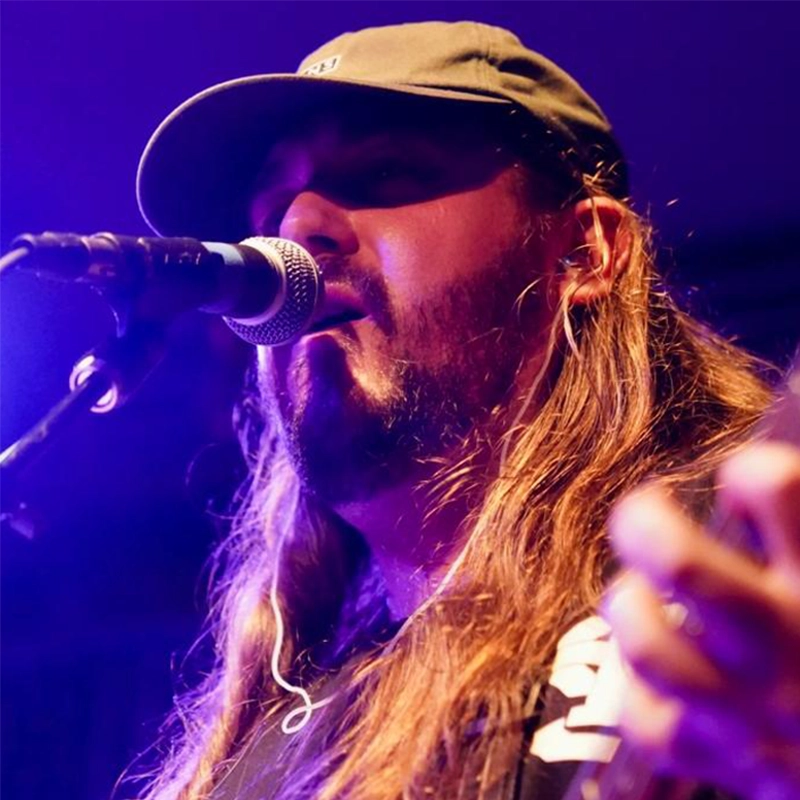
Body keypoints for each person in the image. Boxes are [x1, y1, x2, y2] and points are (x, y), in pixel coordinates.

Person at [133, 21, 800, 800]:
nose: (295, 230)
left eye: (384, 171)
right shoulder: (268, 757)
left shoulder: (744, 550)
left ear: (583, 253)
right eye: (274, 206)